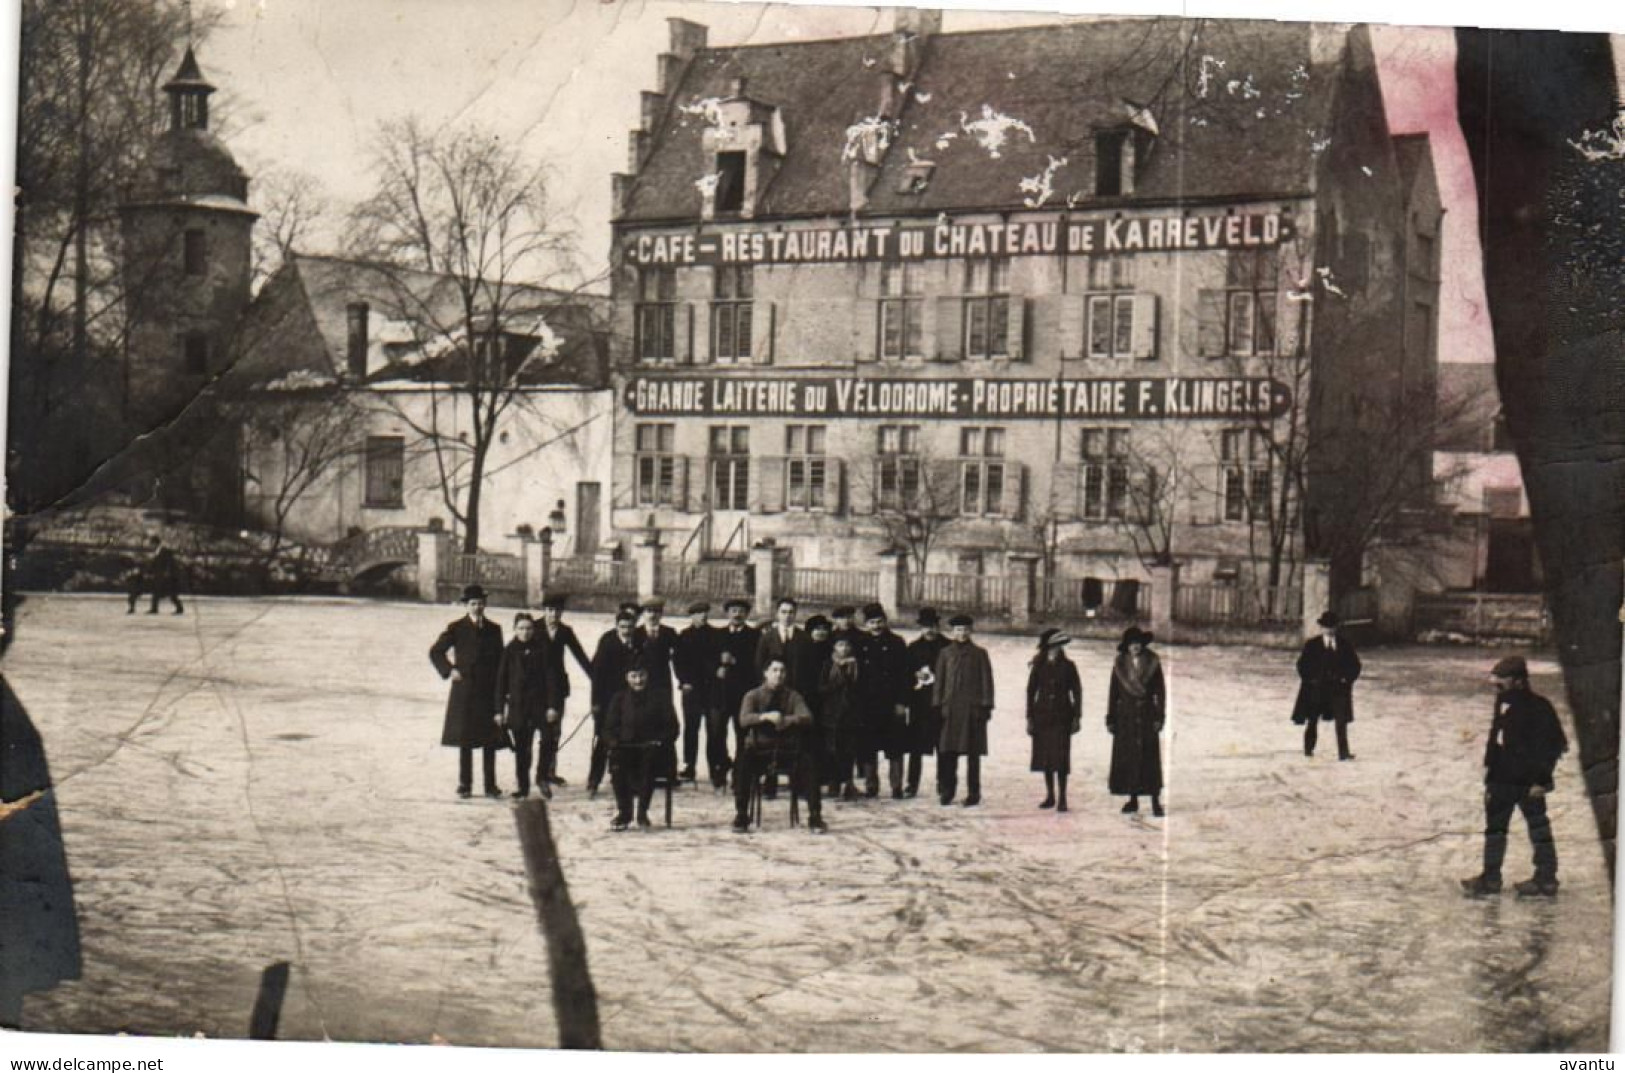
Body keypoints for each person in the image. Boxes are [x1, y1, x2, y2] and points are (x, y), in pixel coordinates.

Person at [1461, 656, 1569, 898]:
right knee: (1495, 829)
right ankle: (1490, 878)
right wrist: (1489, 769)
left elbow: (1552, 747)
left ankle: (1546, 878)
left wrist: (1541, 781)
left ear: (1519, 681)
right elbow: (1495, 737)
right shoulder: (1502, 701)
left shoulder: (1540, 707)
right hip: (1502, 778)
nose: (1496, 683)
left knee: (1538, 827)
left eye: (1502, 679)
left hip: (1528, 781)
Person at [429, 584, 508, 798]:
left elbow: (501, 661)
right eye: (473, 604)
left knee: (489, 740)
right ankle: (465, 784)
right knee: (466, 740)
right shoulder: (456, 627)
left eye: (481, 603)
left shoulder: (494, 629)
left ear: (485, 605)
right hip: (465, 692)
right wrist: (449, 670)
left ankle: (490, 785)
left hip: (488, 691)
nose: (477, 607)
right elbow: (436, 652)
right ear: (466, 605)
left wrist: (503, 690)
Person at [732, 657, 827, 834]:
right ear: (766, 673)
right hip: (760, 750)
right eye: (774, 671)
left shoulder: (793, 696)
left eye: (782, 671)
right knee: (742, 763)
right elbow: (744, 719)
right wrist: (764, 717)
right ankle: (741, 815)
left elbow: (807, 717)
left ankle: (815, 815)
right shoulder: (753, 695)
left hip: (787, 750)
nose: (779, 675)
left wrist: (787, 720)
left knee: (810, 762)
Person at [602, 663, 679, 830]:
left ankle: (642, 812)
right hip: (626, 748)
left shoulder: (660, 697)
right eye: (634, 676)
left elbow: (673, 727)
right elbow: (608, 728)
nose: (638, 680)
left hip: (651, 749)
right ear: (627, 678)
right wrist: (614, 741)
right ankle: (625, 812)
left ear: (647, 676)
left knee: (649, 762)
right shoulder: (619, 698)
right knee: (616, 762)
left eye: (641, 675)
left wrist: (659, 741)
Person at [495, 613, 559, 799]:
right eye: (521, 628)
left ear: (534, 630)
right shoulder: (509, 651)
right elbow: (501, 682)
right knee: (522, 749)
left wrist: (552, 707)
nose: (525, 632)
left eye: (529, 628)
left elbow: (552, 680)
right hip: (518, 708)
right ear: (515, 630)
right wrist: (499, 710)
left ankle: (542, 777)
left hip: (541, 707)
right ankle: (523, 786)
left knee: (548, 740)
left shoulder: (543, 649)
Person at [934, 613, 995, 808]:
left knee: (973, 755)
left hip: (972, 710)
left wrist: (986, 705)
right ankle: (948, 791)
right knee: (948, 753)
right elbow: (939, 682)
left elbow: (987, 681)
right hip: (950, 710)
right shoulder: (945, 654)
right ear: (952, 632)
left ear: (971, 631)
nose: (962, 633)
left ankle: (973, 793)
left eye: (966, 629)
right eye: (958, 630)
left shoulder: (980, 653)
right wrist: (938, 705)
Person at [1107, 627, 1166, 817]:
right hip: (1126, 717)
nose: (1135, 647)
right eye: (1132, 644)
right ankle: (1133, 800)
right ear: (1127, 646)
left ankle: (1156, 801)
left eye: (1138, 643)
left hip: (1147, 717)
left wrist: (1159, 717)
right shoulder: (1119, 664)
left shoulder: (1153, 663)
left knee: (1149, 759)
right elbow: (1113, 693)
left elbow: (1160, 692)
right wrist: (1111, 718)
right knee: (1130, 759)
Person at [537, 593, 593, 787]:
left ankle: (550, 771)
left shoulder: (565, 631)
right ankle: (535, 774)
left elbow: (580, 656)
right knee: (535, 732)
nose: (554, 614)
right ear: (544, 611)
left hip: (558, 688)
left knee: (554, 732)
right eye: (550, 610)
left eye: (557, 611)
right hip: (535, 689)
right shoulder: (533, 628)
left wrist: (596, 678)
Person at [1292, 611, 1362, 761]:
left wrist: (1346, 679)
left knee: (1341, 721)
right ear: (1321, 628)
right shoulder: (1312, 645)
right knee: (1312, 720)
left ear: (1336, 628)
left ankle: (1344, 753)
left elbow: (1355, 666)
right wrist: (1311, 679)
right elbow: (1302, 665)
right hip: (1317, 690)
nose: (1329, 630)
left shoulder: (1344, 645)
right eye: (1326, 627)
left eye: (1332, 627)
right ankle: (1308, 749)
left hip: (1338, 690)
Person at [1027, 628, 1082, 812]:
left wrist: (1077, 716)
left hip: (1062, 717)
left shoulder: (1069, 666)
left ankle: (1063, 797)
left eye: (1059, 646)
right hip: (1042, 716)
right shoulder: (1038, 665)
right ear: (1047, 648)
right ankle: (1050, 795)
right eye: (1053, 646)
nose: (1056, 650)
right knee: (1046, 758)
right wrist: (1029, 717)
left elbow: (1077, 691)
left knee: (1061, 759)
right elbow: (1030, 691)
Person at [859, 603, 911, 799]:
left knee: (895, 747)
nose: (876, 626)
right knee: (868, 746)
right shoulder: (861, 643)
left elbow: (905, 675)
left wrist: (902, 703)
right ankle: (871, 785)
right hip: (868, 705)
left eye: (879, 621)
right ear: (866, 624)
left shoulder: (897, 643)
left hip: (892, 704)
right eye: (872, 622)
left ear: (885, 621)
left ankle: (896, 785)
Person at [588, 608, 642, 796]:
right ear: (616, 626)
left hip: (629, 700)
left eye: (630, 626)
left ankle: (625, 779)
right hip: (608, 700)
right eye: (622, 626)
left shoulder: (639, 642)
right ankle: (594, 780)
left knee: (630, 738)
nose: (626, 630)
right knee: (603, 739)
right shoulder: (607, 642)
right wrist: (595, 702)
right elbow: (597, 675)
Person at [712, 597, 761, 789]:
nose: (737, 614)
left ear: (747, 614)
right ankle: (721, 768)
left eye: (741, 611)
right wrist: (716, 669)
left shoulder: (754, 636)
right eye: (733, 610)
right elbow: (706, 660)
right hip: (720, 694)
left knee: (743, 735)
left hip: (743, 695)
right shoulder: (717, 635)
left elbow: (757, 665)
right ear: (727, 613)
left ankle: (741, 773)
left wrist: (736, 663)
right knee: (717, 734)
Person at [902, 608, 949, 799]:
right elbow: (904, 673)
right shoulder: (912, 648)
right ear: (920, 628)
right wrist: (914, 675)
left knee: (943, 747)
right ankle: (912, 784)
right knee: (915, 747)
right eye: (926, 627)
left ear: (938, 627)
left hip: (942, 703)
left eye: (933, 626)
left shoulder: (947, 646)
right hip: (919, 704)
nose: (929, 630)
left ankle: (944, 784)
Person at [672, 601, 719, 783]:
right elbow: (677, 662)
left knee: (713, 729)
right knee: (691, 729)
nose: (703, 616)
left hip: (711, 690)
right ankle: (689, 766)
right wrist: (684, 681)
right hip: (691, 690)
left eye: (705, 612)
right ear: (691, 616)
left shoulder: (716, 635)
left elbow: (717, 661)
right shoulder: (684, 636)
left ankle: (714, 767)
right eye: (698, 613)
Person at [821, 634, 864, 801]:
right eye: (840, 645)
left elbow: (861, 687)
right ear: (834, 648)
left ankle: (848, 783)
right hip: (832, 713)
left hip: (851, 713)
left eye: (847, 645)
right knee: (832, 749)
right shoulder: (828, 664)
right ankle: (834, 782)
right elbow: (821, 687)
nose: (844, 649)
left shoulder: (856, 665)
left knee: (849, 749)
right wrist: (837, 684)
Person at [127, 535, 184, 615]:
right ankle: (156, 609)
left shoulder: (164, 551)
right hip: (159, 576)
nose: (151, 545)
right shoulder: (157, 552)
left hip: (165, 576)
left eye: (151, 543)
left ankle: (177, 608)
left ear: (155, 543)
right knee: (160, 592)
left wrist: (167, 572)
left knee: (168, 593)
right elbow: (155, 564)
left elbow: (169, 562)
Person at [756, 598, 802, 681]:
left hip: (796, 688)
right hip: (773, 686)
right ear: (777, 614)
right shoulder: (767, 637)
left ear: (795, 614)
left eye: (791, 612)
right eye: (783, 612)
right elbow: (760, 664)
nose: (787, 616)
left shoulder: (804, 637)